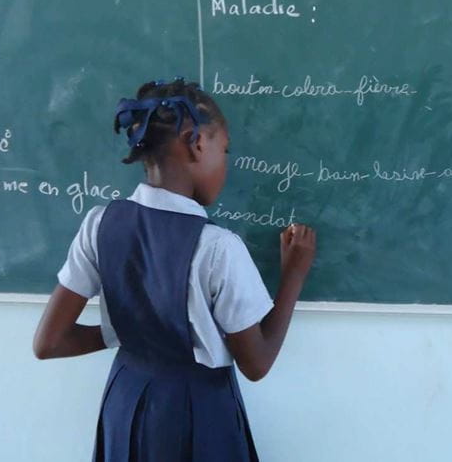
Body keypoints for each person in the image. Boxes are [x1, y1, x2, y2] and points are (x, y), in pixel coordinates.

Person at [33, 77, 317, 461]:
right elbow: (257, 362)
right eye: (225, 149)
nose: (226, 163)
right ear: (197, 144)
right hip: (198, 412)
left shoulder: (99, 224)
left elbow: (48, 342)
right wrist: (294, 274)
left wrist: (124, 332)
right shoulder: (218, 248)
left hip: (125, 400)